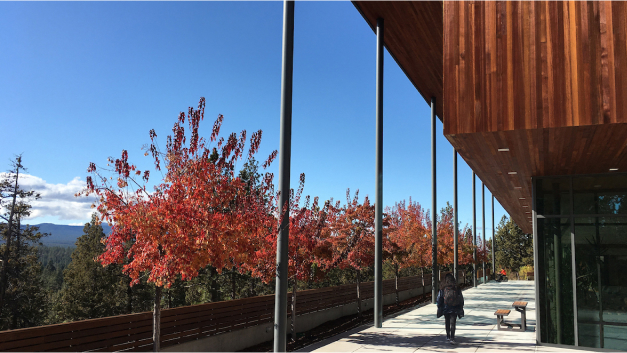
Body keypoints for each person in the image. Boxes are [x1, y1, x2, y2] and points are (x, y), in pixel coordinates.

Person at [436, 273, 464, 345]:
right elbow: (460, 297)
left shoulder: (443, 288)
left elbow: (439, 298)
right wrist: (461, 306)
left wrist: (439, 306)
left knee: (447, 322)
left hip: (446, 307)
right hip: (454, 307)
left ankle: (448, 336)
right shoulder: (456, 287)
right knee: (453, 323)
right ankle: (452, 338)